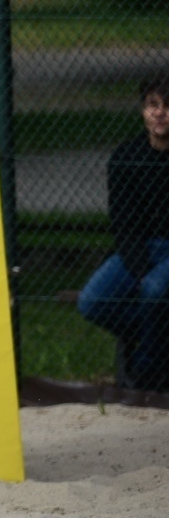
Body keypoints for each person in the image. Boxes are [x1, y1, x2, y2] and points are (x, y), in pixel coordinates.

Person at [77, 77, 169, 392]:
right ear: (144, 111)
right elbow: (124, 225)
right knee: (92, 301)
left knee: (157, 289)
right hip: (140, 249)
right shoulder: (125, 157)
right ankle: (159, 340)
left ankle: (145, 373)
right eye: (153, 105)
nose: (160, 113)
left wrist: (151, 277)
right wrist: (141, 269)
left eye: (167, 106)